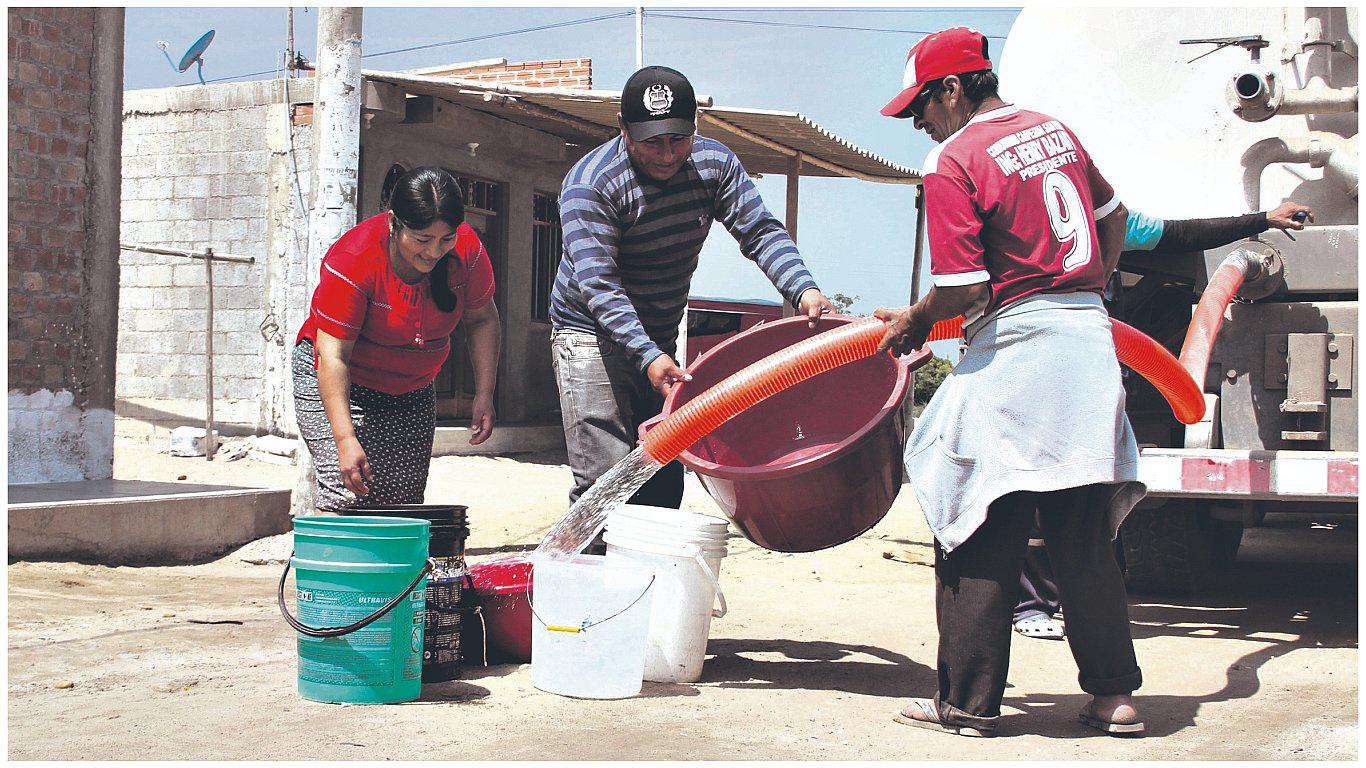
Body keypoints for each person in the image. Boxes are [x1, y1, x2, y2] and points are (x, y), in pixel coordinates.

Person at [873, 27, 1145, 737]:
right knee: (1081, 528)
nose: (919, 124)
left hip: (1019, 345)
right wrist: (1092, 290)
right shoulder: (1056, 132)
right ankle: (1115, 696)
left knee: (974, 508)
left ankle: (968, 703)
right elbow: (1113, 221)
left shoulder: (953, 157)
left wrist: (911, 321)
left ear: (954, 88)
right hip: (1087, 342)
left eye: (921, 108)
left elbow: (959, 288)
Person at [1013, 200, 1316, 640]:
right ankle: (1030, 605)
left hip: (1092, 371)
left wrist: (1262, 219)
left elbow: (1179, 234)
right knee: (1034, 490)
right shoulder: (1017, 223)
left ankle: (1078, 603)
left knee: (1095, 492)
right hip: (1028, 370)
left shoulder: (1103, 218)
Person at [550, 65, 835, 510]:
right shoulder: (590, 185)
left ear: (695, 126)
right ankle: (590, 573)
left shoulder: (714, 164)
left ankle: (657, 579)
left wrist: (802, 289)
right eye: (652, 142)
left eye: (677, 139)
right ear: (622, 129)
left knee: (664, 477)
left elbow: (759, 231)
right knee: (606, 485)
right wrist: (647, 356)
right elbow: (599, 285)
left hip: (658, 335)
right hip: (589, 332)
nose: (666, 155)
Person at [294, 164, 501, 513]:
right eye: (422, 240)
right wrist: (345, 439)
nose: (434, 252)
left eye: (445, 239)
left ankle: (389, 571)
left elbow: (482, 320)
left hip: (411, 388)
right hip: (339, 380)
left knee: (399, 504)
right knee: (347, 492)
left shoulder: (467, 251)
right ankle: (334, 567)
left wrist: (484, 393)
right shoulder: (354, 259)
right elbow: (333, 357)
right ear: (394, 223)